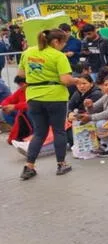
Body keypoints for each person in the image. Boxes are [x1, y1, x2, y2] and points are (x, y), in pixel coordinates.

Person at [17, 29, 77, 180]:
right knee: (59, 131)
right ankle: (61, 164)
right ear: (56, 41)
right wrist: (77, 80)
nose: (64, 46)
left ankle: (29, 166)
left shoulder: (28, 52)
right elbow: (65, 80)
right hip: (55, 96)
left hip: (33, 96)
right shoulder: (58, 55)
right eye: (64, 43)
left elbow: (21, 75)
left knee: (39, 133)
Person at [66, 73, 103, 146]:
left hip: (92, 119)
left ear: (91, 84)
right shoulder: (77, 93)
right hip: (79, 118)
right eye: (79, 84)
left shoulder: (96, 94)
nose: (81, 86)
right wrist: (70, 113)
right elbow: (70, 106)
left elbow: (92, 111)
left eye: (84, 83)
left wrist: (76, 116)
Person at [2, 76, 30, 143]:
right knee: (4, 112)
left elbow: (31, 104)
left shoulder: (33, 91)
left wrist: (15, 106)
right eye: (19, 85)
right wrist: (5, 106)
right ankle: (16, 130)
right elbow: (9, 99)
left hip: (31, 113)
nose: (20, 86)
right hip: (22, 113)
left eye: (22, 84)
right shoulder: (20, 91)